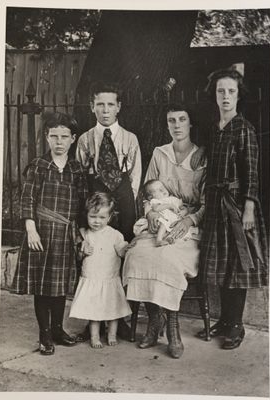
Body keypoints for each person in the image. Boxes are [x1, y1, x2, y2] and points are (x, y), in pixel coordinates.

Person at [122, 103, 206, 359]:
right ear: (167, 124)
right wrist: (151, 214)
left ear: (191, 124)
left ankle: (172, 325)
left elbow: (207, 202)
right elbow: (146, 194)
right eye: (172, 120)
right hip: (159, 221)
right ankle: (155, 319)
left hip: (188, 224)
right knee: (138, 255)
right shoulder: (160, 154)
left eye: (182, 119)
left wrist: (189, 221)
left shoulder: (203, 156)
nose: (177, 125)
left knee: (168, 259)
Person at [197, 67, 268, 350]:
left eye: (231, 91)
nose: (225, 96)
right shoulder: (215, 128)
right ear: (214, 95)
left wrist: (249, 208)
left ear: (239, 96)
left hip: (238, 206)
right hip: (216, 204)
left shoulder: (244, 128)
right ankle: (225, 320)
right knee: (222, 265)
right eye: (220, 91)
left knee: (237, 265)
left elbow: (252, 172)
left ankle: (236, 326)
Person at [11, 112, 89, 356]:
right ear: (46, 137)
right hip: (42, 233)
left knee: (59, 287)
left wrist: (81, 233)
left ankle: (57, 329)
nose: (59, 141)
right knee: (42, 287)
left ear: (73, 139)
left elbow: (83, 203)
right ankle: (44, 333)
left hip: (65, 234)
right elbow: (28, 198)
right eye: (53, 136)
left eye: (64, 136)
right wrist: (30, 228)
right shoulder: (39, 165)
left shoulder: (76, 169)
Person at [75, 81, 142, 341]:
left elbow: (135, 179)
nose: (105, 110)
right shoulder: (84, 140)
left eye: (110, 105)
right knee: (92, 263)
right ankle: (91, 317)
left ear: (119, 108)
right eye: (100, 104)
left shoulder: (130, 138)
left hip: (123, 201)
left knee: (120, 261)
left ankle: (119, 318)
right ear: (92, 107)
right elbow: (82, 177)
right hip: (95, 199)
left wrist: (129, 210)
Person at [69, 192, 133, 348]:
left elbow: (122, 252)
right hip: (92, 277)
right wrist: (82, 251)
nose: (97, 221)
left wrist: (128, 248)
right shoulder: (84, 235)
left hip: (109, 278)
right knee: (94, 310)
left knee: (113, 309)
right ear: (87, 215)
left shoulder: (115, 235)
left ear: (109, 217)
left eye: (102, 218)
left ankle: (112, 334)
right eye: (93, 217)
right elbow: (77, 258)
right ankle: (94, 336)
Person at [134, 179, 198, 246]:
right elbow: (156, 209)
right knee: (163, 223)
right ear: (150, 197)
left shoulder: (173, 198)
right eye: (158, 190)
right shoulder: (155, 201)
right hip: (162, 218)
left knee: (177, 226)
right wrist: (169, 206)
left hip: (173, 219)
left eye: (162, 187)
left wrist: (184, 211)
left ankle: (170, 238)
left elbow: (182, 207)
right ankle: (159, 240)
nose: (163, 190)